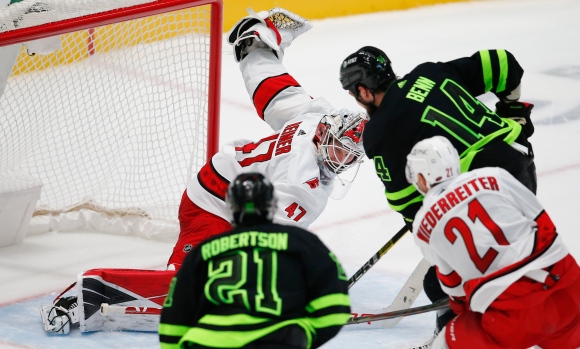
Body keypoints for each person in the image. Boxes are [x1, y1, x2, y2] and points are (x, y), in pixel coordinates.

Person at [40, 8, 366, 335]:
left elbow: (275, 93)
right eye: (340, 148)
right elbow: (267, 243)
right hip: (210, 208)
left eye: (351, 157)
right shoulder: (307, 186)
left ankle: (255, 39)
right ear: (326, 134)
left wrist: (258, 47)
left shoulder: (318, 117)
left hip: (226, 191)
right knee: (193, 288)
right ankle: (90, 291)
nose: (341, 161)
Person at [339, 46, 537, 333]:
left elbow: (406, 202)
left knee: (440, 280)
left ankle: (461, 335)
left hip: (483, 195)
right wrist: (513, 110)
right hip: (520, 165)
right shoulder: (428, 72)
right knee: (503, 257)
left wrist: (435, 232)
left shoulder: (380, 131)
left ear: (363, 90)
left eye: (352, 92)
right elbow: (502, 63)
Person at [405, 136, 580, 349]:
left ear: (422, 178)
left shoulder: (423, 225)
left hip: (511, 313)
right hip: (567, 285)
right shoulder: (494, 175)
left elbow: (454, 287)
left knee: (445, 342)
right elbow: (543, 222)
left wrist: (472, 308)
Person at [159, 172, 351, 349]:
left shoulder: (204, 251)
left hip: (209, 342)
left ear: (231, 207)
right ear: (273, 205)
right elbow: (335, 307)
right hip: (280, 339)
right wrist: (303, 335)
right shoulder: (302, 243)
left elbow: (173, 319)